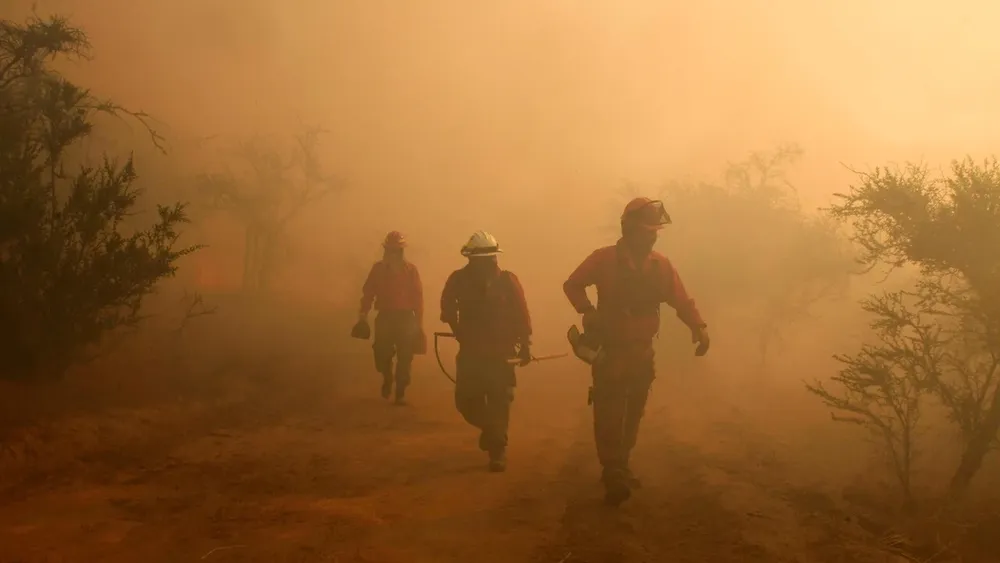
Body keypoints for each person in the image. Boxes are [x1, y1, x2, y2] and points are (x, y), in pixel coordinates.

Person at [562, 197, 710, 506]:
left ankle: (621, 463)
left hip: (642, 353)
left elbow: (681, 300)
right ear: (628, 230)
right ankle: (612, 469)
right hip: (610, 352)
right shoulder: (603, 260)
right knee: (609, 411)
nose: (652, 237)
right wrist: (587, 310)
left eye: (654, 231)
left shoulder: (660, 266)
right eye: (646, 231)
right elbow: (572, 284)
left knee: (633, 413)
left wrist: (698, 327)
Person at [440, 230, 532, 472]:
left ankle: (497, 451)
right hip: (471, 353)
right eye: (482, 259)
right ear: (471, 259)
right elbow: (447, 306)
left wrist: (525, 345)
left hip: (501, 355)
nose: (489, 263)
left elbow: (521, 313)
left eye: (491, 258)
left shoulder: (508, 281)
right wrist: (457, 328)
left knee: (500, 401)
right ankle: (492, 431)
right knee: (466, 402)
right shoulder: (458, 280)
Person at [358, 231, 424, 405]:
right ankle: (387, 377)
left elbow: (418, 298)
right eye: (391, 250)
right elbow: (368, 293)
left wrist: (419, 325)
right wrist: (363, 315)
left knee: (405, 357)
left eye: (397, 250)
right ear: (386, 250)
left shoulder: (411, 270)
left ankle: (400, 392)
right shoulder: (378, 269)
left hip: (406, 319)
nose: (394, 253)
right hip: (385, 317)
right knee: (381, 353)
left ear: (402, 251)